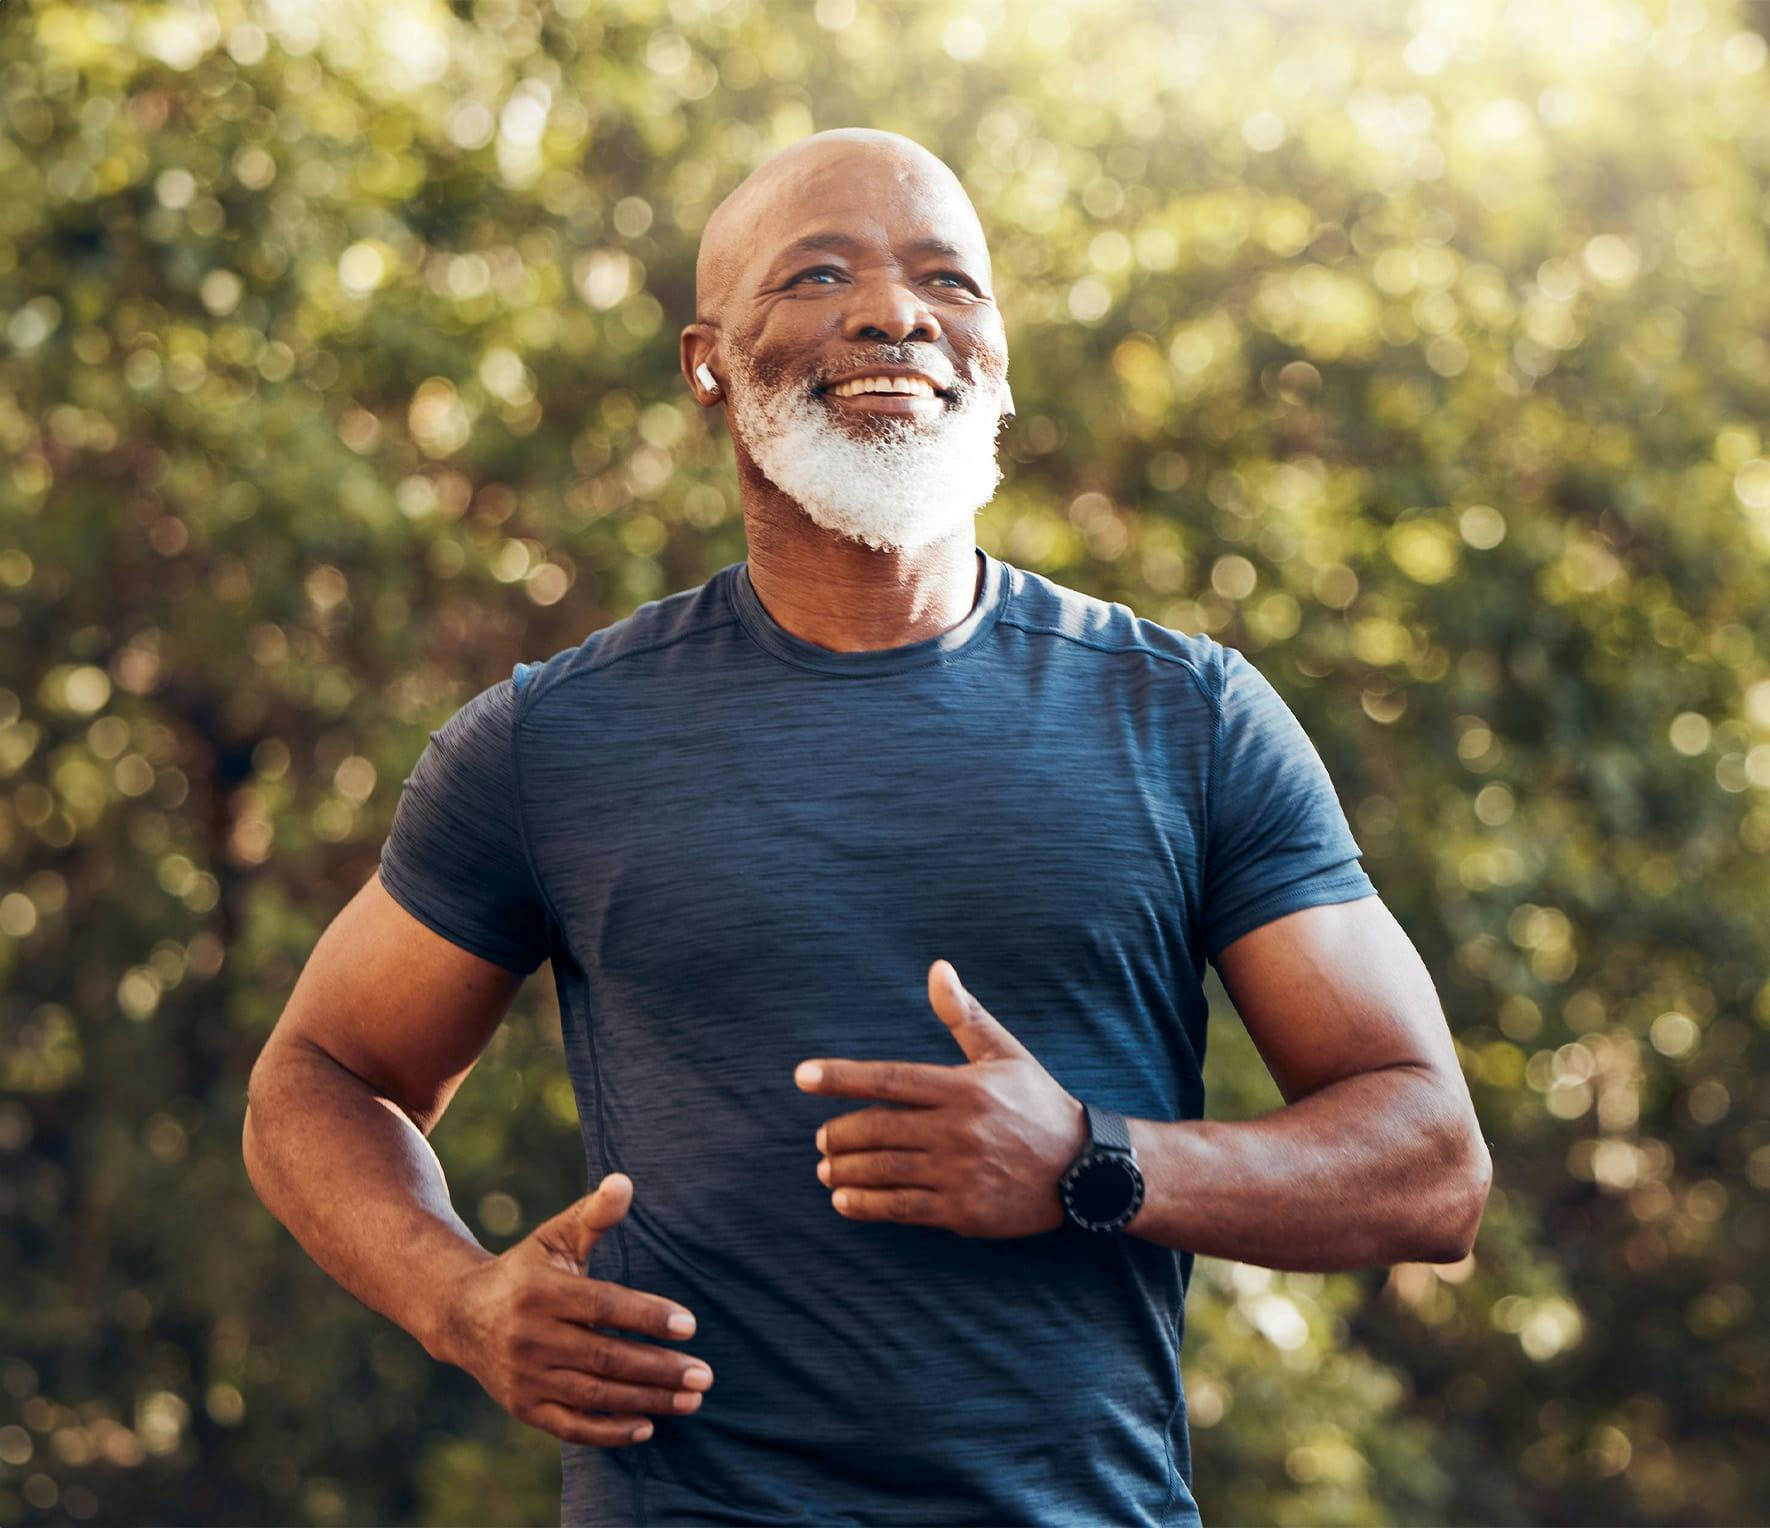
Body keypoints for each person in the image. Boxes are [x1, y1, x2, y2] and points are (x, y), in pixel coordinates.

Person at [243, 127, 1492, 1526]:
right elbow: (320, 1075)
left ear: (995, 355)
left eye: (947, 281)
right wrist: (457, 1302)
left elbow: (1431, 1167)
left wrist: (1092, 1162)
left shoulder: (1187, 718)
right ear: (707, 363)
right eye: (819, 274)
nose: (894, 312)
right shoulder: (555, 739)